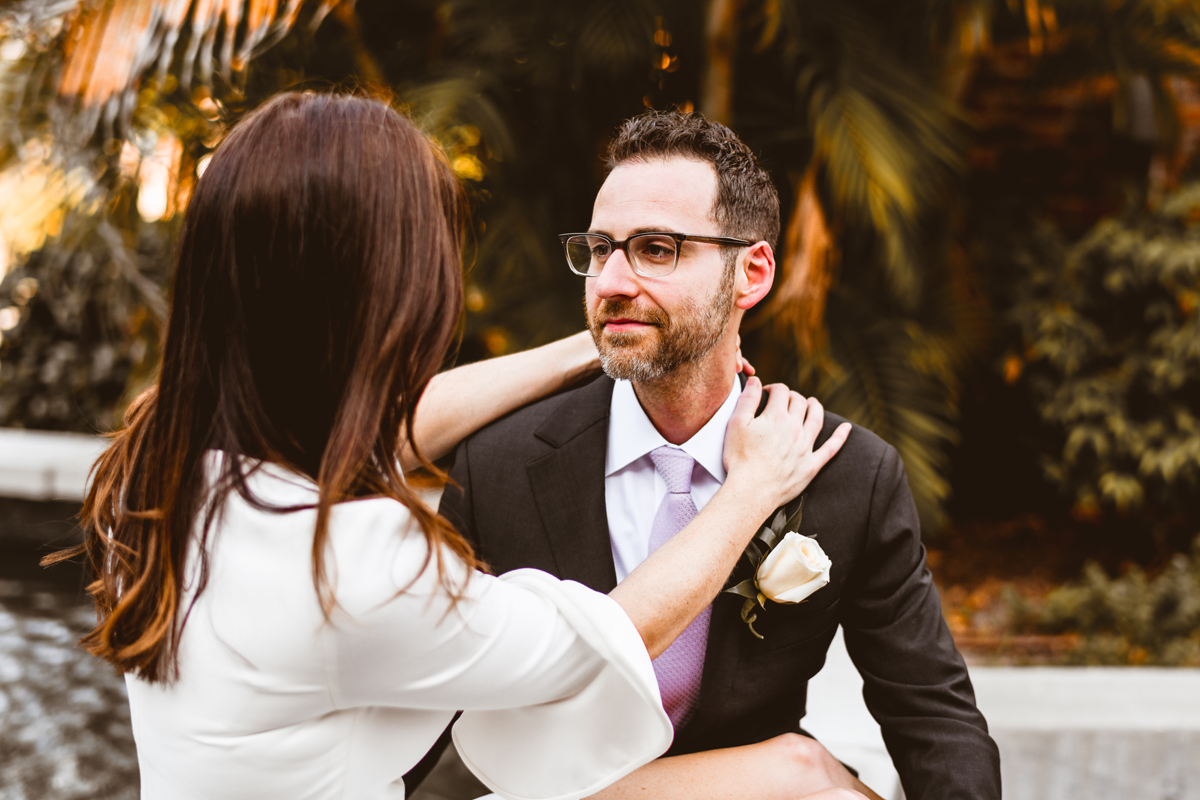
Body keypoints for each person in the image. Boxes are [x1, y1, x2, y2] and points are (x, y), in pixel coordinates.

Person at [47, 92, 856, 800]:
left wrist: (609, 334)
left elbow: (380, 430)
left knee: (796, 771)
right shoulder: (352, 565)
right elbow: (607, 638)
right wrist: (751, 489)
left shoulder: (162, 465)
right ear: (380, 291)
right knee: (808, 782)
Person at [437, 111, 1002, 800]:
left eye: (656, 249)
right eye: (600, 248)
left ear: (752, 273)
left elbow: (934, 718)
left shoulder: (849, 474)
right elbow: (435, 729)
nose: (611, 280)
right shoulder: (496, 466)